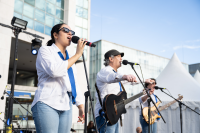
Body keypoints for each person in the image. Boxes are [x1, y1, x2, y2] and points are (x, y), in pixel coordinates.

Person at [31, 23, 86, 133]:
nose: (70, 33)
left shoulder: (70, 58)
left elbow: (73, 81)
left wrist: (80, 106)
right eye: (66, 30)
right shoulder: (45, 50)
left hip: (66, 105)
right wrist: (77, 55)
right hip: (47, 102)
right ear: (55, 35)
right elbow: (55, 71)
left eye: (72, 32)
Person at [95, 49, 137, 133]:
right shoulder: (105, 71)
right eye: (118, 56)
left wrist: (145, 81)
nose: (121, 59)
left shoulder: (117, 75)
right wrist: (125, 76)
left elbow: (131, 81)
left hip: (114, 115)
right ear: (111, 59)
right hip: (105, 115)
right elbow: (112, 77)